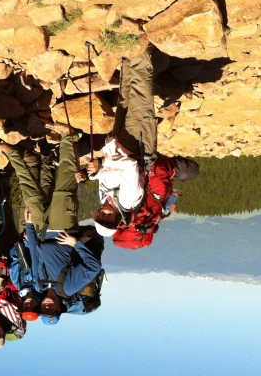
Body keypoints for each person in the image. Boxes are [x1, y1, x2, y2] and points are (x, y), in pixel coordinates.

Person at [85, 44, 199, 238]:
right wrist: (102, 165)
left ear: (96, 216)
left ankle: (127, 52)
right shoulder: (128, 201)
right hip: (138, 144)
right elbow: (130, 168)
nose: (105, 216)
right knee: (140, 94)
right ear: (117, 221)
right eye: (109, 222)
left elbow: (105, 176)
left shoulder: (105, 199)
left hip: (118, 144)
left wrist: (91, 174)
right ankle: (139, 47)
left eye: (101, 219)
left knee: (125, 94)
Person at [24, 208, 103, 325]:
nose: (47, 307)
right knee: (59, 192)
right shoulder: (68, 288)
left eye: (44, 310)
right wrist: (76, 244)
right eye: (52, 310)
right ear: (59, 309)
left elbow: (35, 255)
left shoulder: (40, 285)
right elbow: (94, 267)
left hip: (42, 230)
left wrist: (29, 226)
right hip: (62, 228)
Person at [0, 281, 26, 348]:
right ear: (3, 334)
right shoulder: (13, 317)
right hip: (7, 277)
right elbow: (19, 291)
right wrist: (7, 284)